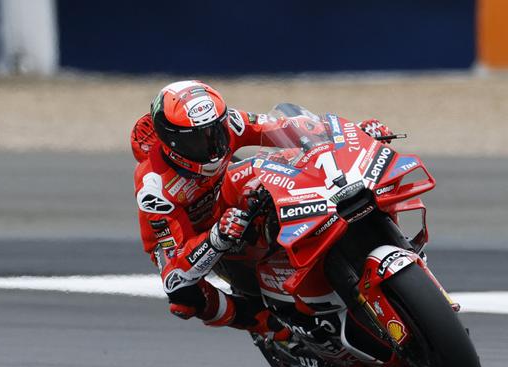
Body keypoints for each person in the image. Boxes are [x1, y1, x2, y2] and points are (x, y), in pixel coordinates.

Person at [131, 80, 392, 337]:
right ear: (172, 143)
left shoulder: (230, 122)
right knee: (183, 297)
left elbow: (287, 127)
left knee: (283, 167)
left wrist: (352, 133)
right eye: (198, 140)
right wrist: (215, 239)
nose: (213, 145)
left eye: (215, 131)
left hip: (230, 198)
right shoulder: (155, 187)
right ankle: (267, 326)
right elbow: (174, 269)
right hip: (199, 238)